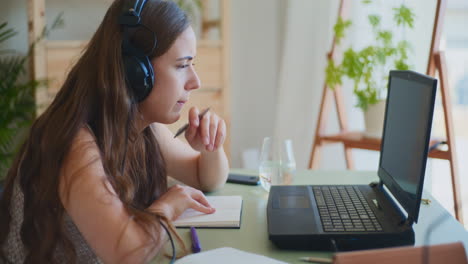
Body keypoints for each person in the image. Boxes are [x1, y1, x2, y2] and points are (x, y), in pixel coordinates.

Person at [0, 0, 229, 263]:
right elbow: (126, 253)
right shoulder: (75, 143)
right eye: (181, 65)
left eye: (193, 64)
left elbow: (207, 178)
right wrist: (168, 205)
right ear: (136, 73)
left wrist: (211, 148)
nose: (195, 81)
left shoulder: (141, 125)